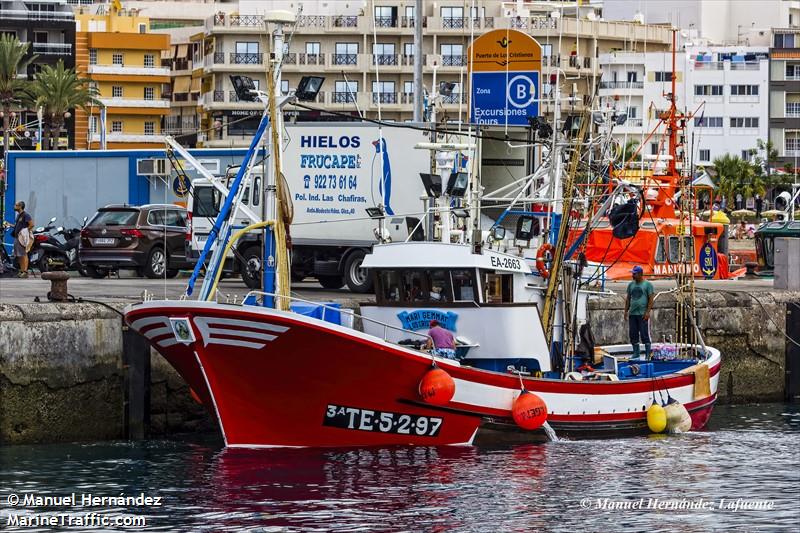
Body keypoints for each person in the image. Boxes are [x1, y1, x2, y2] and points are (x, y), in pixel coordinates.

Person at [624, 265, 654, 359]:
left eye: (635, 274)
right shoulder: (631, 285)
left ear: (640, 274)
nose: (633, 275)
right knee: (633, 334)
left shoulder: (647, 285)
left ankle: (647, 354)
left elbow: (651, 299)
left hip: (642, 313)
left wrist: (647, 312)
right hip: (633, 314)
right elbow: (628, 298)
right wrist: (626, 311)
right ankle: (636, 353)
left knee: (644, 334)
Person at [11, 201, 33, 278]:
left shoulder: (26, 215)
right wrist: (9, 225)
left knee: (23, 254)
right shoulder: (18, 216)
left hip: (22, 238)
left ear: (20, 206)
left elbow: (31, 225)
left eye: (16, 205)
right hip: (17, 237)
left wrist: (24, 232)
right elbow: (17, 226)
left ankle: (25, 272)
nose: (14, 206)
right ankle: (21, 270)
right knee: (19, 255)